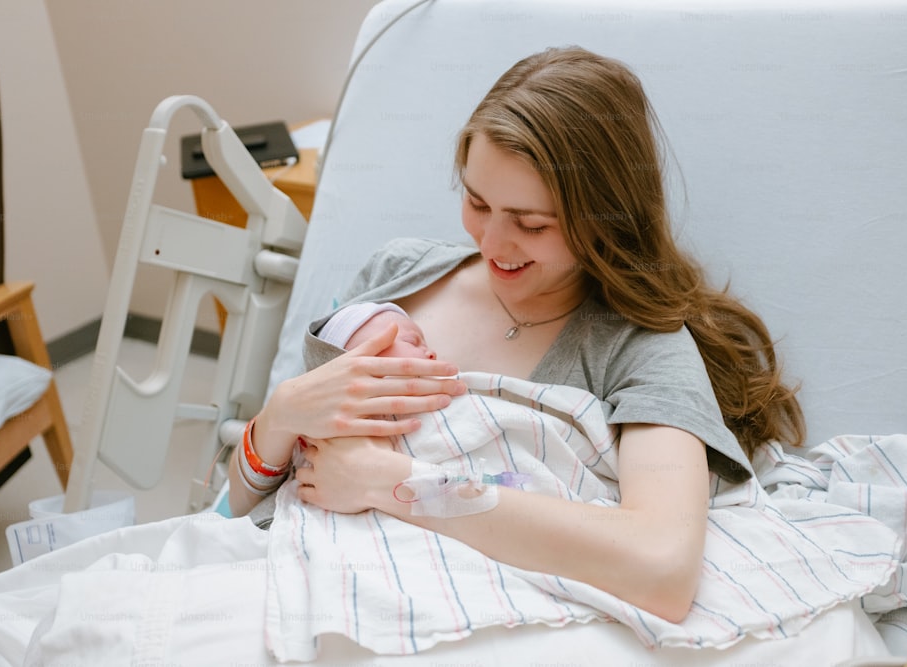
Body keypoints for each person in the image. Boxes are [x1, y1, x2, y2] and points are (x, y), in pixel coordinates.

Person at [228, 44, 805, 624]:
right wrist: (280, 415)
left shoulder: (643, 349)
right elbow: (250, 498)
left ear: (602, 216)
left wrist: (398, 484)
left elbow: (662, 568)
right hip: (310, 585)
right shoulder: (396, 278)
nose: (495, 244)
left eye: (532, 224)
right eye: (478, 203)